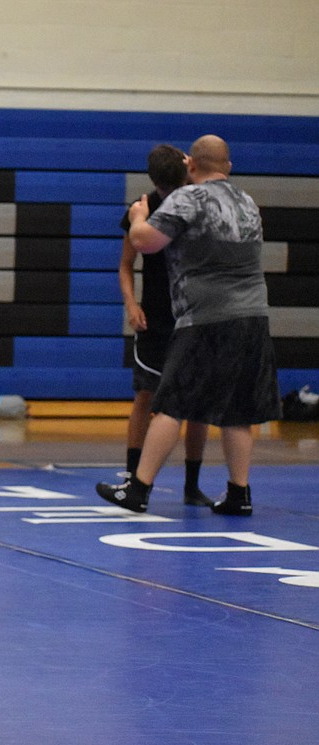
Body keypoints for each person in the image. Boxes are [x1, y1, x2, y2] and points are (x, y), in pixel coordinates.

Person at [97, 135, 281, 516]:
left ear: (191, 167)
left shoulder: (188, 198)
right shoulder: (246, 201)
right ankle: (238, 492)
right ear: (228, 168)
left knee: (171, 403)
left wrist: (137, 218)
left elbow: (145, 242)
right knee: (237, 409)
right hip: (253, 315)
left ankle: (139, 488)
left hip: (206, 317)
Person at [117, 145, 211, 506]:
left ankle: (192, 482)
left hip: (193, 313)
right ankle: (132, 474)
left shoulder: (197, 205)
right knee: (146, 395)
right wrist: (131, 303)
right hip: (155, 315)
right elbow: (126, 264)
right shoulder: (142, 210)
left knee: (196, 403)